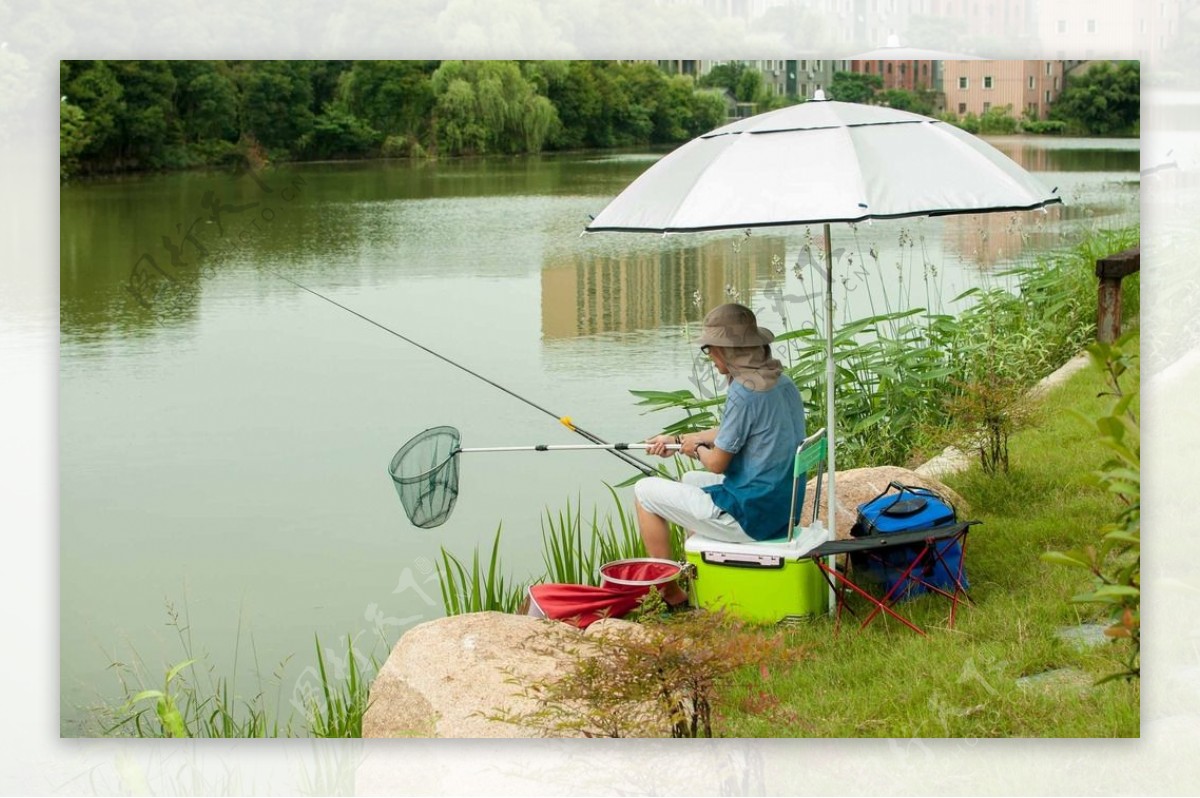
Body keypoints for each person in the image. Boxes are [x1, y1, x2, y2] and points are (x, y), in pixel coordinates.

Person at [634, 303, 806, 607]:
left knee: (644, 492)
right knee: (689, 479)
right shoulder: (779, 381)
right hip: (781, 511)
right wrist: (678, 440)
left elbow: (716, 463)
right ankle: (703, 571)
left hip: (751, 518)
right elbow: (734, 430)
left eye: (711, 349)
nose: (711, 358)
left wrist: (695, 449)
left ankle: (671, 595)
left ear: (728, 350)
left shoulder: (744, 391)